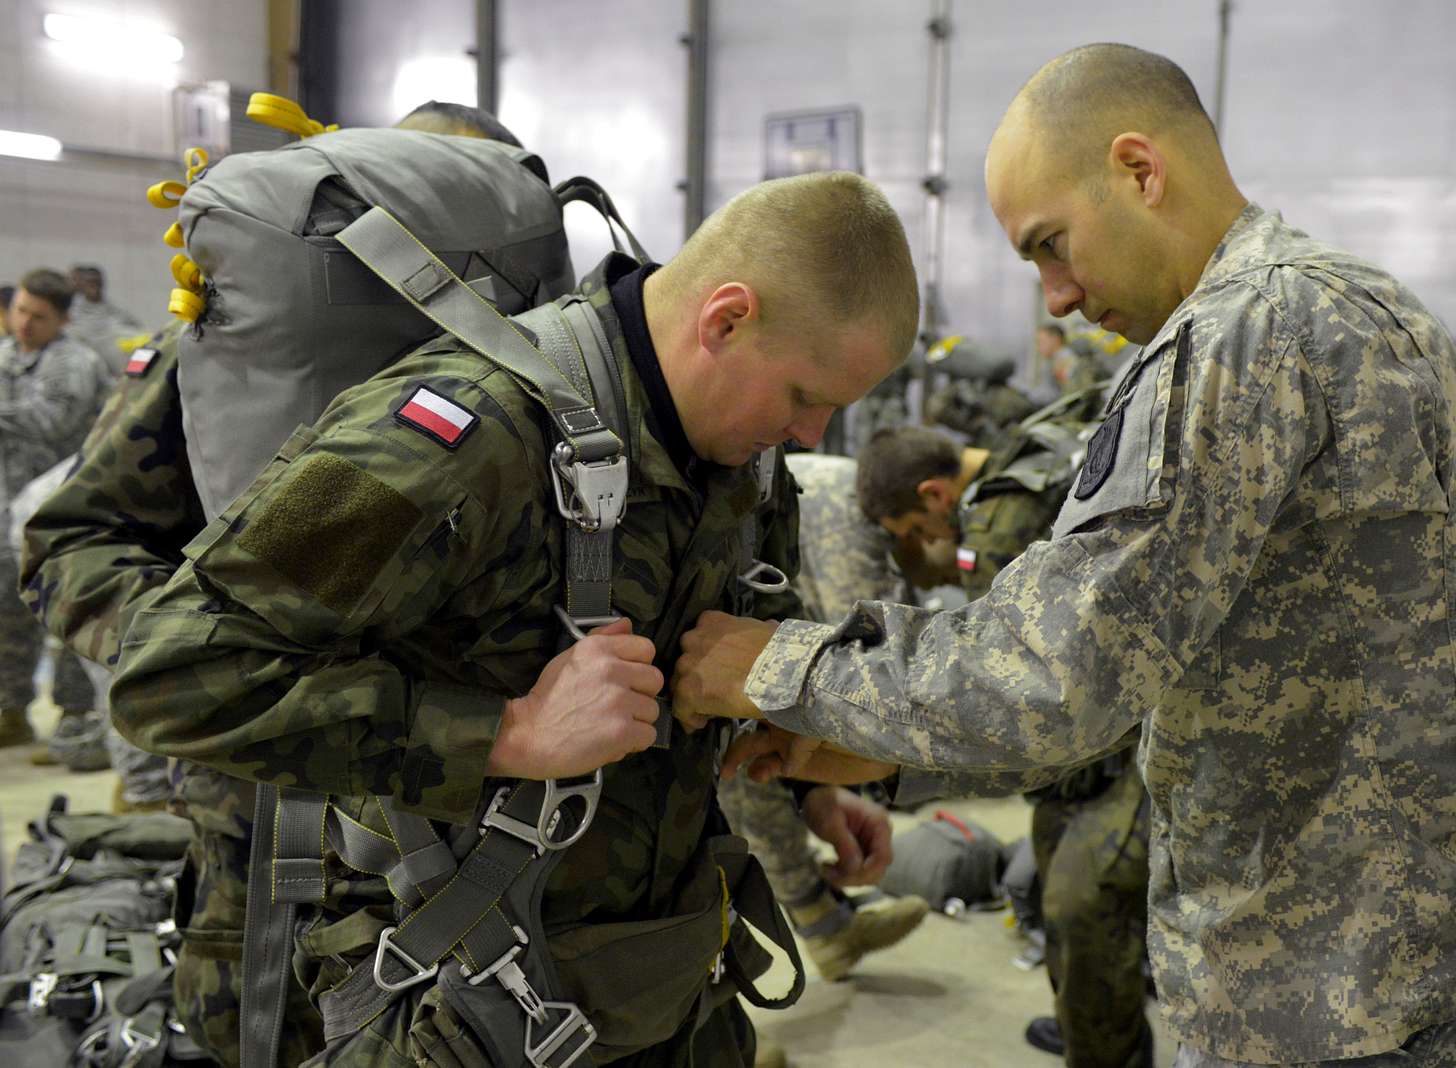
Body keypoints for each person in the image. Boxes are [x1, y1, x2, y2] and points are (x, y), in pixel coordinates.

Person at [672, 43, 1456, 1068]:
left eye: (1052, 245)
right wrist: (881, 749)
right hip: (1422, 974)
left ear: (1139, 171)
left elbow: (1054, 671)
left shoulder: (1240, 334)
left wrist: (777, 666)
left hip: (1327, 1002)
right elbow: (1209, 675)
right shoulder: (1363, 301)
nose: (1054, 295)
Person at [110, 170, 918, 1067]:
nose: (813, 435)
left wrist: (808, 786)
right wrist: (503, 733)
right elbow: (170, 673)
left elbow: (727, 636)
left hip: (662, 990)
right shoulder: (463, 433)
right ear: (725, 320)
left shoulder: (744, 463)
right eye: (808, 398)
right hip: (458, 1007)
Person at [19, 102, 562, 1067]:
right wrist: (209, 654)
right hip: (276, 837)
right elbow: (73, 539)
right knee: (267, 1033)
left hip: (514, 828)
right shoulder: (228, 359)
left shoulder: (556, 362)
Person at [857, 419, 1151, 1067]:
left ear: (935, 494)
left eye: (915, 529)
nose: (924, 544)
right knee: (1061, 889)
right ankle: (1093, 1027)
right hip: (1128, 710)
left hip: (1112, 743)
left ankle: (1102, 1040)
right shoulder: (1037, 443)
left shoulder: (995, 520)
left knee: (1080, 906)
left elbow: (1007, 677)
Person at [718, 450, 929, 985]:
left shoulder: (844, 490)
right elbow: (860, 673)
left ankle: (824, 923)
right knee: (747, 768)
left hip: (747, 636)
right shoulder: (845, 522)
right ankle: (818, 927)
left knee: (763, 760)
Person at [0, 270, 107, 754]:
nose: (24, 323)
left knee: (65, 618)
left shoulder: (75, 363)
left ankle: (76, 723)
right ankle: (11, 712)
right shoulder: (5, 357)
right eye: (20, 310)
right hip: (8, 509)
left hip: (63, 513)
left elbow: (51, 421)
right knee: (8, 616)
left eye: (38, 316)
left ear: (62, 319)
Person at [67, 265, 145, 385]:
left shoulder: (118, 311)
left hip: (130, 374)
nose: (94, 286)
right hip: (98, 377)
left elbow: (140, 334)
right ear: (81, 285)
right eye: (89, 282)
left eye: (97, 282)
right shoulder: (73, 316)